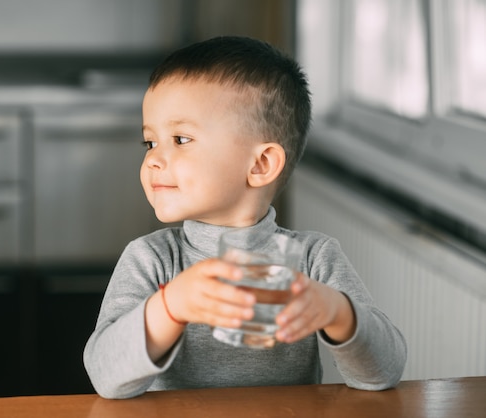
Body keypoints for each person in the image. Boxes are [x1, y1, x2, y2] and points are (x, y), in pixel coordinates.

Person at [83, 35, 407, 399]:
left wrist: (336, 311)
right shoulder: (152, 260)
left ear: (261, 164)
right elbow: (104, 375)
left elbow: (385, 372)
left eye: (181, 139)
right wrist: (172, 305)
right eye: (150, 142)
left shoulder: (312, 259)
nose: (154, 159)